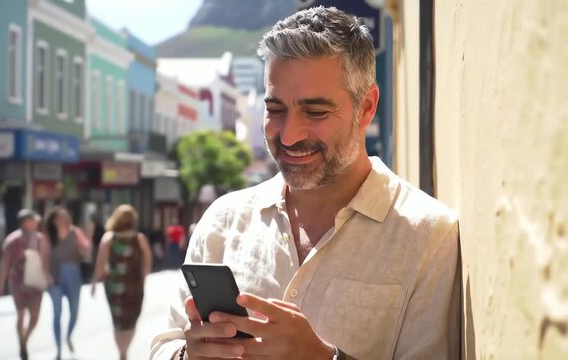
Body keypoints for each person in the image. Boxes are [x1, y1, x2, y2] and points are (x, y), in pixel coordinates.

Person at [150, 7, 460, 360]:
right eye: (275, 109)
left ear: (367, 107)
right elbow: (164, 344)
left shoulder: (429, 236)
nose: (290, 134)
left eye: (315, 112)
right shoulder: (222, 220)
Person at [91, 205, 152, 360]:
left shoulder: (109, 238)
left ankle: (121, 351)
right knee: (131, 319)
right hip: (134, 284)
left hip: (114, 285)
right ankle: (125, 350)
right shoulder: (139, 238)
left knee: (117, 320)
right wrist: (143, 277)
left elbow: (100, 263)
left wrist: (93, 283)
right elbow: (147, 261)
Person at [0, 209, 51, 360]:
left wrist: (49, 277)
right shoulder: (13, 240)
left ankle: (24, 340)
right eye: (32, 219)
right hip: (18, 281)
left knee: (35, 316)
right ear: (25, 222)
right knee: (20, 313)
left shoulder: (41, 239)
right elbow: (5, 263)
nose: (35, 222)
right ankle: (22, 345)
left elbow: (45, 261)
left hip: (35, 281)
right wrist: (1, 284)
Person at [44, 206, 91, 360]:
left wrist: (84, 246)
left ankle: (69, 336)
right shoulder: (48, 235)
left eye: (66, 216)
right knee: (57, 313)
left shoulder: (75, 232)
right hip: (54, 276)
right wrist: (47, 275)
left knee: (74, 310)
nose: (64, 219)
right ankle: (58, 350)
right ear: (55, 220)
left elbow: (86, 251)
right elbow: (42, 255)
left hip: (73, 275)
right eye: (61, 217)